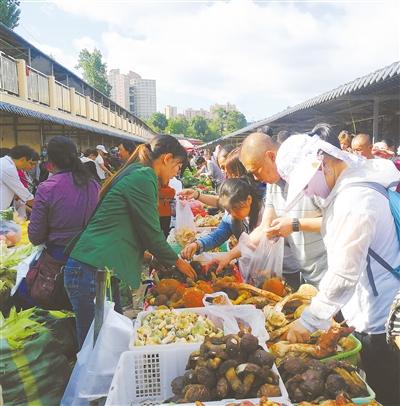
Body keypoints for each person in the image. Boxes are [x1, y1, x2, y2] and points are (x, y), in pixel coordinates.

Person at [276, 133, 400, 406]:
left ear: (324, 163)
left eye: (307, 184)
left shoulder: (354, 201)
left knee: (385, 391)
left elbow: (344, 275)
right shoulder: (353, 184)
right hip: (370, 309)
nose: (308, 192)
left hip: (380, 322)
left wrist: (308, 321)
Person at [63, 135, 196, 346]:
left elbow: (128, 228)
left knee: (107, 345)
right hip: (90, 271)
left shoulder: (137, 172)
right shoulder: (144, 177)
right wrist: (179, 263)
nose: (176, 173)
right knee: (95, 349)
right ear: (166, 158)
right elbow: (152, 235)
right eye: (177, 165)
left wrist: (150, 258)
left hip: (98, 270)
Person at [212, 132, 328, 289]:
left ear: (271, 157)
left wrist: (295, 225)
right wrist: (229, 256)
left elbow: (341, 221)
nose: (255, 179)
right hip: (308, 275)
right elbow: (264, 229)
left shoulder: (313, 176)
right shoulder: (273, 186)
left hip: (332, 273)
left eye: (255, 171)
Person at [28, 136, 100, 307]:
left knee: (56, 316)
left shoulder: (47, 188)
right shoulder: (93, 185)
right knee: (84, 319)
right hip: (91, 259)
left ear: (50, 161)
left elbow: (35, 236)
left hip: (58, 262)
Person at [181, 178, 263, 260]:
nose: (232, 214)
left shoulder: (264, 215)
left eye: (235, 208)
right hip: (247, 264)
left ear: (248, 200)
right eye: (228, 210)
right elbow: (218, 235)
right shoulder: (231, 216)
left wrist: (230, 256)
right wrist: (197, 245)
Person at [0, 145, 35, 210]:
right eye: (29, 162)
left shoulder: (4, 162)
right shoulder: (8, 168)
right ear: (23, 159)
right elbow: (25, 195)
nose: (29, 166)